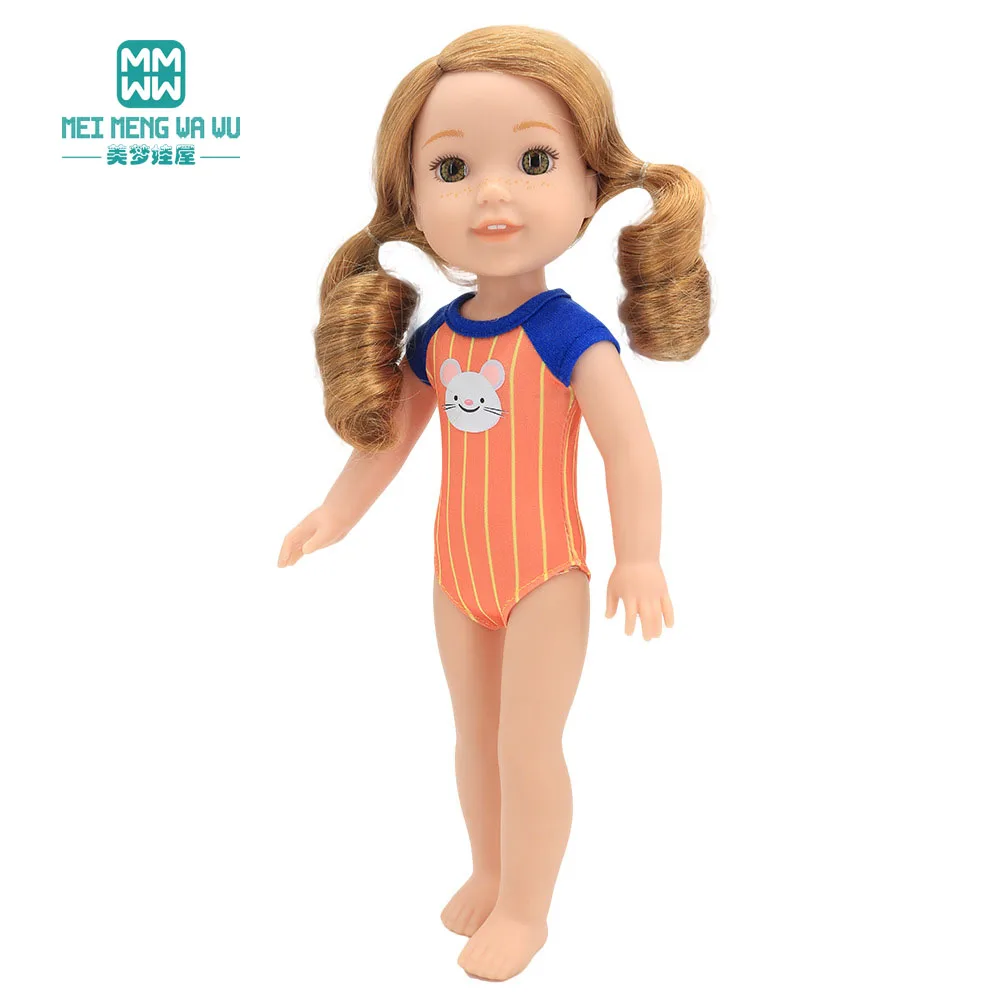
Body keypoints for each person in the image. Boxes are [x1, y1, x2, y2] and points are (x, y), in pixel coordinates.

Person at [277, 24, 710, 982]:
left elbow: (629, 450)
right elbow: (391, 438)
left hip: (543, 576)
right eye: (453, 168)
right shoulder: (436, 340)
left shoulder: (570, 337)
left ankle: (526, 908)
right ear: (412, 201)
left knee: (527, 744)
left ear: (591, 185)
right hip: (456, 574)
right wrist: (336, 512)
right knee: (473, 737)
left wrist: (640, 554)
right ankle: (489, 869)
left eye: (534, 161)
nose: (493, 193)